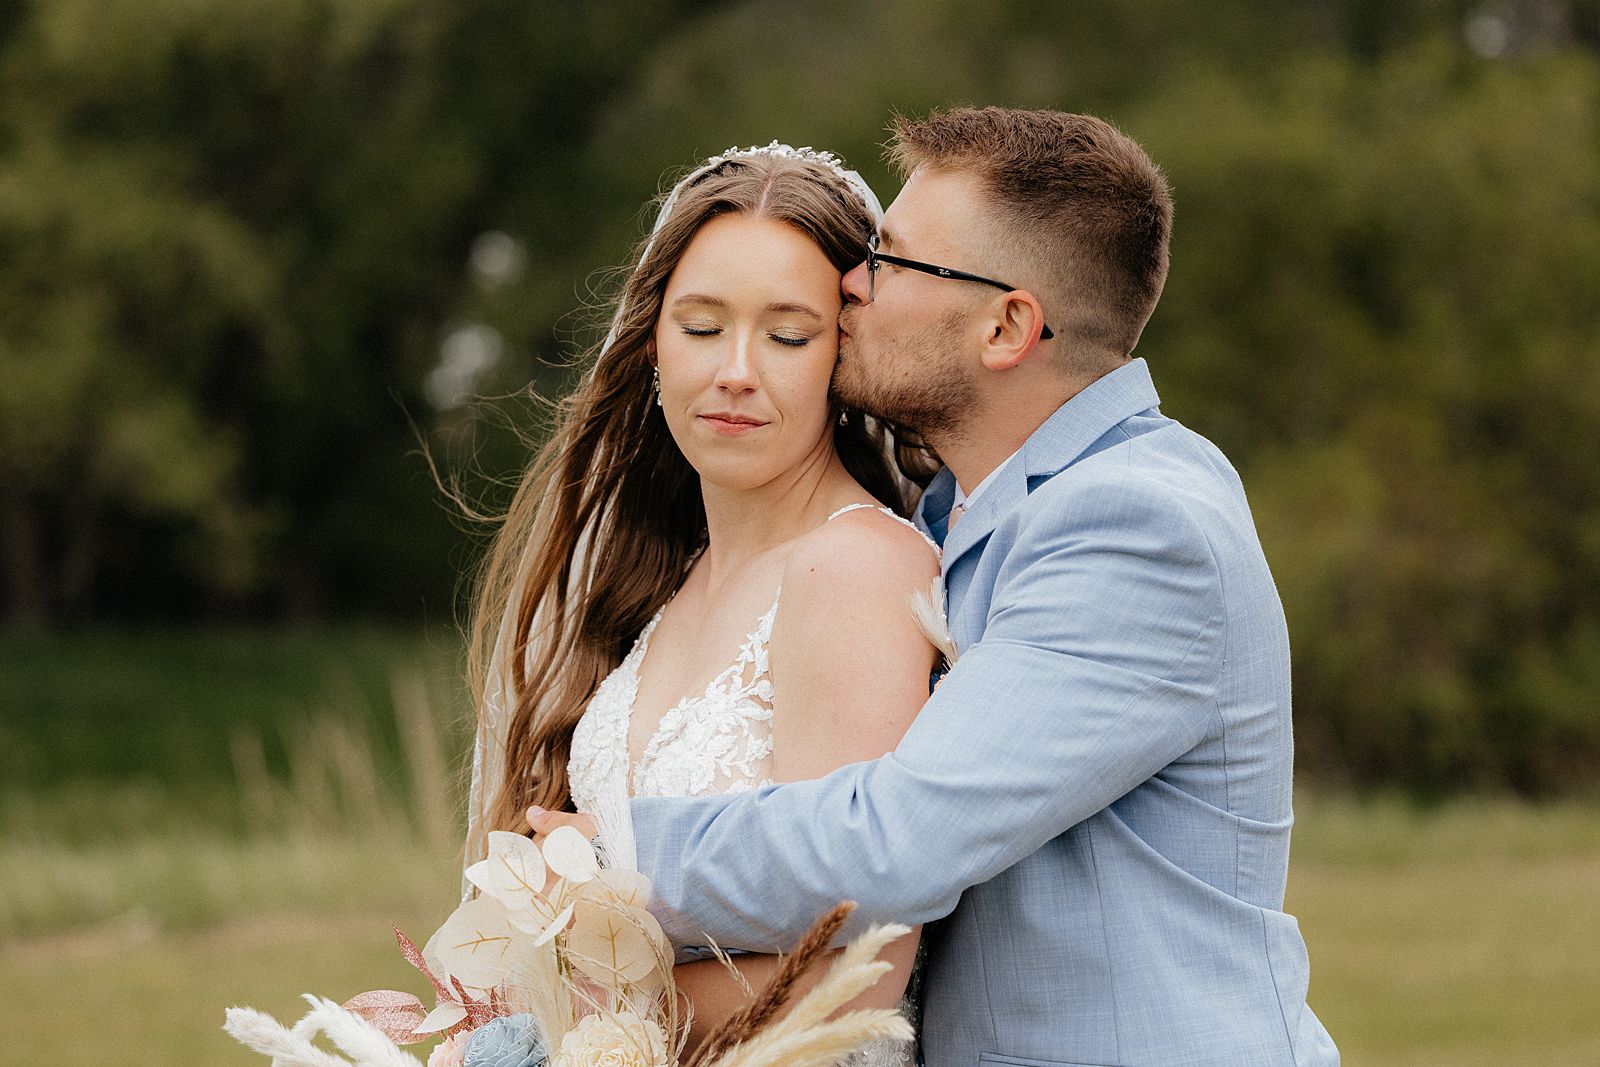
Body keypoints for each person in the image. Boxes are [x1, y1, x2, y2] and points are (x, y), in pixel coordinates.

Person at [531, 108, 1340, 1066]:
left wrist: (607, 856)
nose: (852, 284)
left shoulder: (1134, 522)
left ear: (1007, 325)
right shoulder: (962, 511)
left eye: (893, 261)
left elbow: (894, 840)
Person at [463, 143, 938, 1065]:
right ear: (650, 341)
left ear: (846, 354)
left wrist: (580, 1033)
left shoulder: (856, 571)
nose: (736, 370)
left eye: (788, 335)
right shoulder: (659, 587)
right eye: (702, 325)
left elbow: (853, 970)